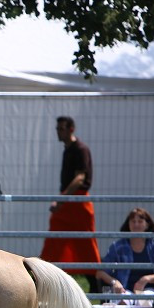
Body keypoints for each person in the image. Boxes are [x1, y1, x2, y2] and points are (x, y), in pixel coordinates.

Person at [39, 116, 100, 292]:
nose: (58, 132)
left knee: (85, 245)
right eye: (57, 129)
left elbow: (80, 178)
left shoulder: (80, 149)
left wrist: (62, 199)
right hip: (68, 200)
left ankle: (96, 285)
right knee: (55, 243)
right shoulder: (68, 150)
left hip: (78, 201)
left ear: (71, 129)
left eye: (61, 129)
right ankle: (48, 280)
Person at [94, 208, 154, 308]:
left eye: (140, 221)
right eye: (133, 221)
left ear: (147, 224)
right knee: (122, 301)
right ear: (128, 224)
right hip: (126, 289)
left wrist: (146, 279)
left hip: (148, 290)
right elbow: (100, 271)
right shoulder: (118, 245)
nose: (136, 224)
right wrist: (114, 281)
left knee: (143, 300)